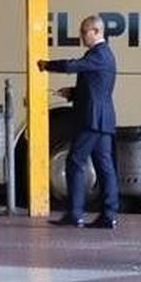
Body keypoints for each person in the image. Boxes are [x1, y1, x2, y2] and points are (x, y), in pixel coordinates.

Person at [38, 13, 120, 229]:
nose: (82, 36)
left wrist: (46, 65)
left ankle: (75, 213)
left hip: (91, 119)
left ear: (97, 31)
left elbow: (71, 65)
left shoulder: (99, 54)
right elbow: (95, 87)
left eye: (85, 32)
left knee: (75, 161)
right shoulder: (104, 55)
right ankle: (109, 214)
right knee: (104, 166)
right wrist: (72, 93)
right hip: (102, 119)